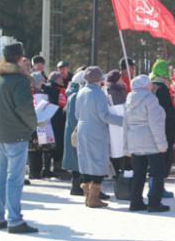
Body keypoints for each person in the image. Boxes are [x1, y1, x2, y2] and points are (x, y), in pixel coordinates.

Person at [0, 42, 39, 234]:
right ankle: (15, 220)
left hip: (0, 133)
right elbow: (24, 107)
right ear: (20, 58)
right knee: (14, 178)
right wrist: (33, 125)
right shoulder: (19, 80)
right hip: (17, 134)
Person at [76, 66, 123, 208]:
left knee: (85, 160)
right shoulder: (98, 94)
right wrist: (123, 121)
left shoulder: (81, 92)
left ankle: (87, 193)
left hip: (82, 128)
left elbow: (76, 114)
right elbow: (105, 116)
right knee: (98, 161)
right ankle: (93, 198)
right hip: (96, 130)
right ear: (99, 79)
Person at [124, 75, 170, 212]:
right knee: (156, 173)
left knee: (138, 173)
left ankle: (135, 202)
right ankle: (154, 203)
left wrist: (126, 146)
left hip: (134, 140)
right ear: (145, 85)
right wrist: (162, 145)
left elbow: (125, 123)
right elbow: (155, 124)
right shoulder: (150, 99)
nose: (152, 86)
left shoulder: (129, 99)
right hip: (150, 141)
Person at [150, 59, 175, 198]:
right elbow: (167, 111)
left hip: (152, 128)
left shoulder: (150, 86)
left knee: (155, 159)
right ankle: (158, 188)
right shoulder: (162, 88)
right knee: (164, 159)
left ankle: (154, 186)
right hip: (165, 129)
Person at [63, 71, 85, 196]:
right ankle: (77, 186)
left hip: (72, 130)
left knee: (76, 159)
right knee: (77, 159)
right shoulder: (76, 96)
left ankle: (77, 185)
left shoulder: (72, 94)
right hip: (75, 131)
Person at [45, 71, 68, 179]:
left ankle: (49, 167)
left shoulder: (49, 88)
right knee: (57, 142)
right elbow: (59, 104)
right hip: (57, 119)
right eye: (60, 78)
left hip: (50, 119)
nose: (62, 80)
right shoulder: (56, 89)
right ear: (55, 79)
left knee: (50, 143)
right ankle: (57, 167)